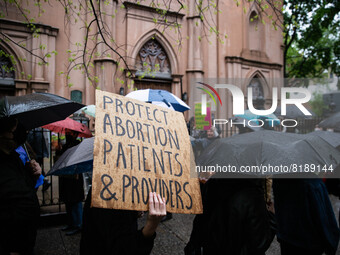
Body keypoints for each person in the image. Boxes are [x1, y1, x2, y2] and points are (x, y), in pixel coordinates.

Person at [185, 175, 275, 255]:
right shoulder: (252, 196)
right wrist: (272, 217)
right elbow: (259, 244)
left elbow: (199, 225)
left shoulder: (213, 183)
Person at [0, 117, 42, 255]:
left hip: (25, 239)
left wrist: (33, 175)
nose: (17, 132)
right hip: (11, 242)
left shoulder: (14, 157)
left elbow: (26, 188)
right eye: (13, 129)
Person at [80, 190, 166, 255]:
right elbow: (123, 249)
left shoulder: (103, 185)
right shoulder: (110, 197)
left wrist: (133, 213)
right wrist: (151, 226)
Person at [273, 177, 340, 255]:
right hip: (308, 242)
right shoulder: (311, 181)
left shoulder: (279, 177)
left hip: (286, 237)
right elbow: (323, 220)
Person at [56, 129, 84, 235]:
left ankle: (78, 225)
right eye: (67, 132)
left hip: (75, 178)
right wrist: (59, 150)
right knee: (68, 201)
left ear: (75, 134)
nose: (68, 134)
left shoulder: (78, 145)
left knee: (75, 201)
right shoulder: (65, 145)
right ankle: (71, 223)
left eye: (70, 132)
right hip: (67, 177)